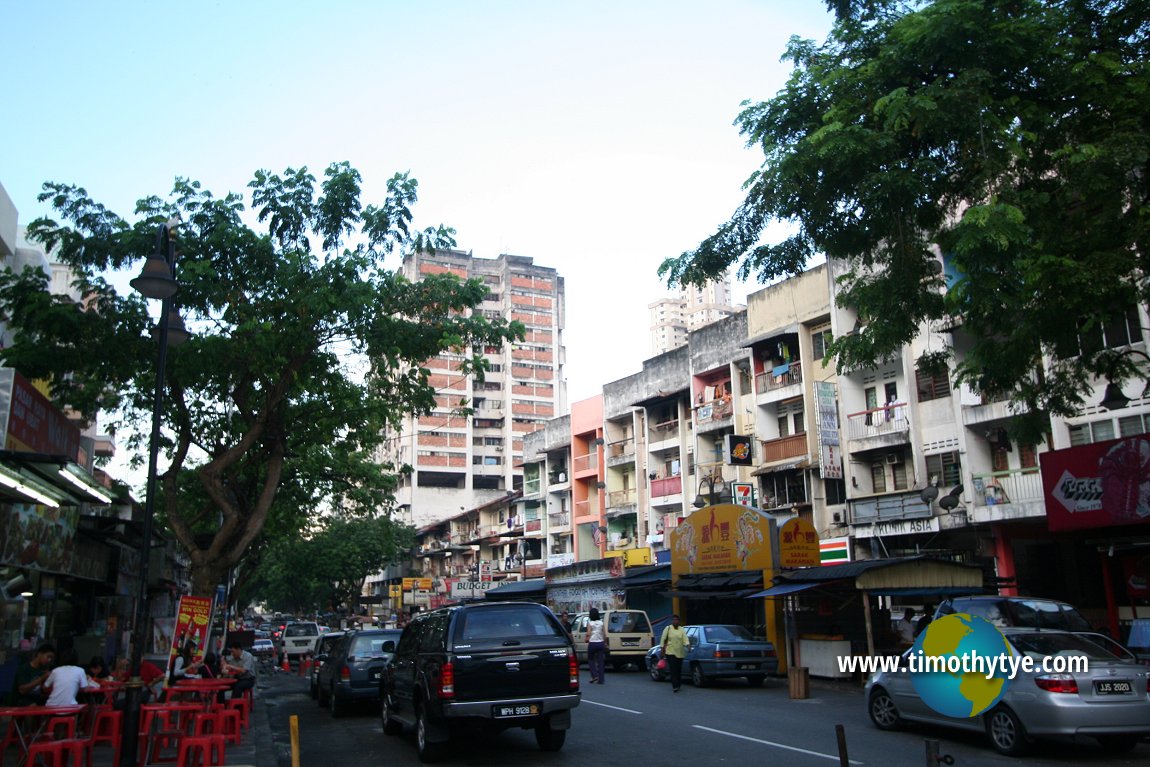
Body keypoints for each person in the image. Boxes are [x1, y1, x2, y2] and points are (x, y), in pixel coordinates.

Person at [659, 615, 688, 693]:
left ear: (679, 621)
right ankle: (675, 686)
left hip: (680, 652)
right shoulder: (668, 628)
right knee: (673, 669)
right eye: (674, 620)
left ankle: (678, 684)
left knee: (678, 669)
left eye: (677, 620)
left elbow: (685, 639)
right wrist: (662, 649)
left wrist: (688, 645)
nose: (675, 621)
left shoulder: (682, 629)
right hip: (670, 652)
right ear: (672, 621)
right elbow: (663, 639)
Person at [585, 608, 606, 685]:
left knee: (590, 659)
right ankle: (601, 680)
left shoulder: (590, 623)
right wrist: (605, 642)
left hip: (593, 643)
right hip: (600, 643)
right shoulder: (601, 623)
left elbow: (589, 633)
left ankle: (595, 675)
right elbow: (604, 634)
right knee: (600, 662)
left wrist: (586, 638)